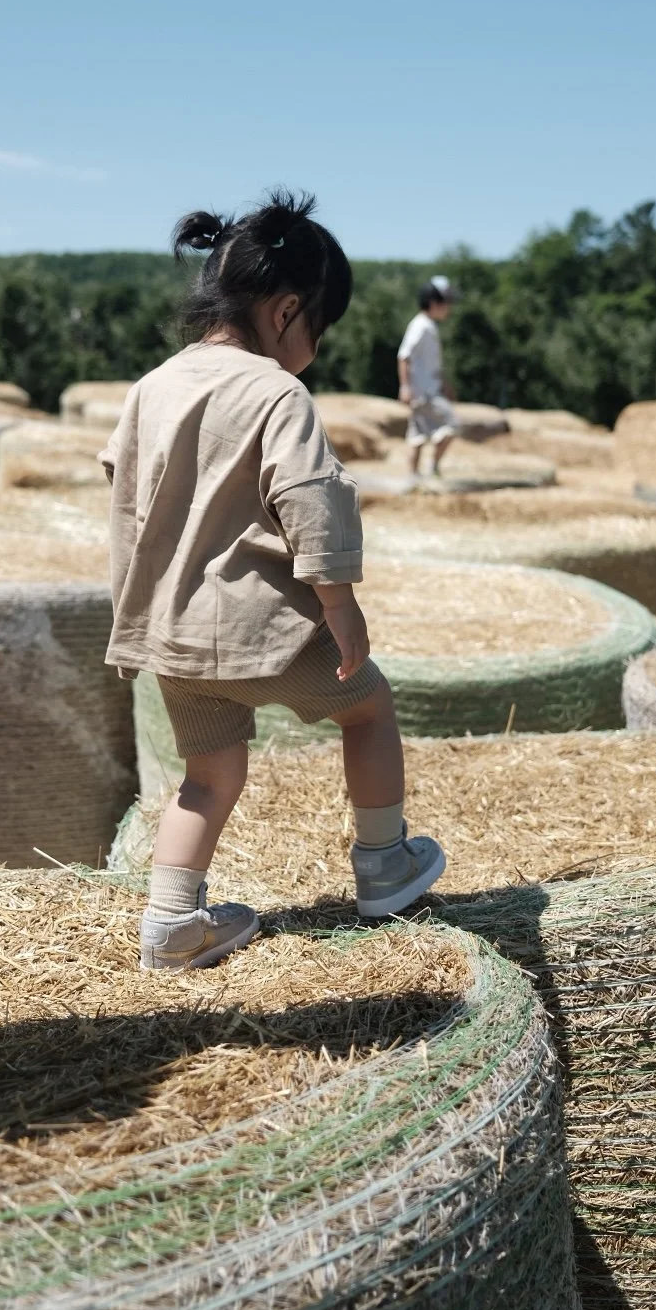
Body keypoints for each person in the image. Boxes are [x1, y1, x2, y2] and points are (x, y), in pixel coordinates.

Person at [102, 189, 446, 972]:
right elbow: (309, 497)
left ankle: (170, 922)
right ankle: (385, 863)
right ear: (287, 310)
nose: (314, 348)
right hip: (265, 634)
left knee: (209, 775)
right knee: (369, 711)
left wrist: (139, 618)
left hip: (175, 640)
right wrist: (340, 602)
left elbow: (125, 503)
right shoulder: (277, 392)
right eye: (319, 329)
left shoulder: (150, 388)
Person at [398, 276, 460, 479]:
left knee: (417, 435)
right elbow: (404, 356)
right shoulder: (421, 326)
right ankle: (432, 468)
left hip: (425, 390)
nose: (449, 308)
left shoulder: (428, 326)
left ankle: (413, 476)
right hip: (424, 393)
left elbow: (430, 363)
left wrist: (445, 383)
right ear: (434, 303)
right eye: (446, 303)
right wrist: (405, 386)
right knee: (452, 425)